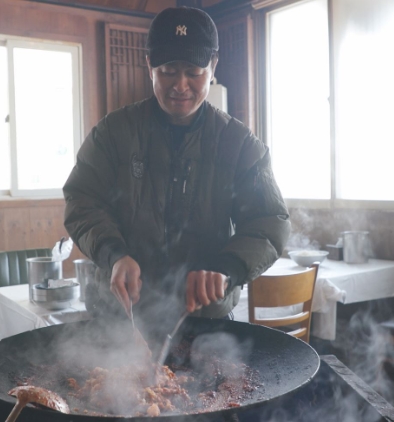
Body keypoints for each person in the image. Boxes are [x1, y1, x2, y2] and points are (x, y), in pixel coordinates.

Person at [63, 7, 290, 325]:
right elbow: (82, 200)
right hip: (122, 314)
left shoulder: (238, 144)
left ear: (213, 66)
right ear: (149, 66)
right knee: (108, 376)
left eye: (194, 72)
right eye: (168, 70)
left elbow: (269, 220)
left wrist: (227, 269)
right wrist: (114, 254)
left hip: (204, 315)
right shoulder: (114, 133)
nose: (180, 85)